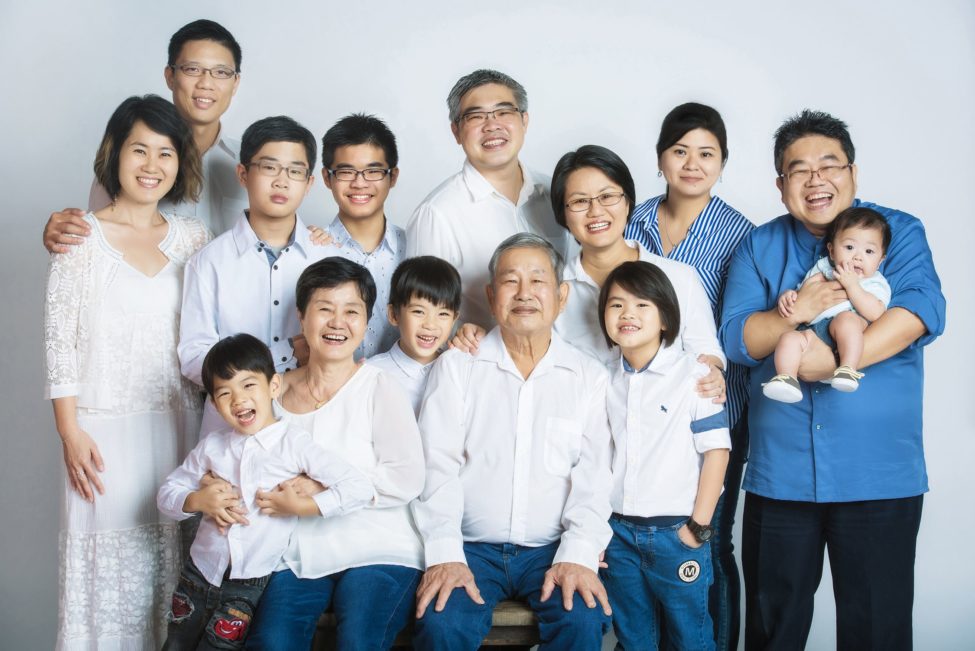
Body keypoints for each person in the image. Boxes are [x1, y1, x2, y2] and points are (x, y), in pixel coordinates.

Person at [719, 109, 945, 650]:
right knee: (774, 631)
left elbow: (920, 312)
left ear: (853, 174)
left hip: (878, 472)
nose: (816, 180)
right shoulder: (759, 245)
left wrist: (829, 364)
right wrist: (801, 313)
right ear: (780, 187)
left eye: (829, 165)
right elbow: (738, 338)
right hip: (782, 475)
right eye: (799, 170)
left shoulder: (899, 232)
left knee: (876, 632)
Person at [43, 94, 210, 649]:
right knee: (107, 580)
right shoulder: (79, 239)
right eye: (139, 149)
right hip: (101, 436)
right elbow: (59, 341)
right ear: (114, 153)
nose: (152, 165)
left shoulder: (194, 240)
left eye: (166, 153)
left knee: (176, 577)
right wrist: (69, 432)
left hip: (181, 430)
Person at [412, 233, 612, 651]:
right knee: (442, 623)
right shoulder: (458, 367)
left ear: (560, 295)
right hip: (471, 549)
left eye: (538, 281)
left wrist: (577, 552)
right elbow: (436, 465)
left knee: (582, 619)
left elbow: (594, 476)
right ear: (490, 294)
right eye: (510, 281)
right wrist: (445, 553)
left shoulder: (588, 376)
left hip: (550, 548)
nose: (524, 294)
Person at [245, 257, 426, 650]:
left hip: (380, 548)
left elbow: (406, 477)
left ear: (366, 322)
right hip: (297, 553)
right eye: (325, 309)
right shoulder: (272, 393)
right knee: (271, 643)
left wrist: (320, 487)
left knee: (359, 641)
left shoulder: (380, 386)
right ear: (301, 316)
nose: (337, 322)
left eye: (351, 311)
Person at [623, 102, 753, 650]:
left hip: (708, 402)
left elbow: (735, 323)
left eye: (707, 154)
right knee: (640, 545)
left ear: (723, 163)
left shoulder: (739, 234)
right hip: (640, 409)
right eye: (680, 151)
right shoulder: (633, 220)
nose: (692, 164)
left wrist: (716, 367)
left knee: (709, 542)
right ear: (660, 158)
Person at [452, 144, 726, 399]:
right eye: (580, 201)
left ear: (628, 201)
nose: (596, 211)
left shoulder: (679, 278)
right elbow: (521, 352)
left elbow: (706, 354)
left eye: (607, 196)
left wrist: (712, 374)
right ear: (564, 215)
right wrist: (475, 336)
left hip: (659, 436)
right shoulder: (551, 291)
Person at [157, 334, 372, 649]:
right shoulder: (212, 448)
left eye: (248, 386)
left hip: (247, 584)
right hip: (198, 573)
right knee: (175, 645)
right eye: (225, 393)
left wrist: (303, 506)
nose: (238, 400)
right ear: (215, 404)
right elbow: (167, 494)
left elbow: (359, 487)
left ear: (273, 386)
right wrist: (197, 500)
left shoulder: (293, 445)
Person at [598, 261, 730, 651]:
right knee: (634, 637)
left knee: (690, 636)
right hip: (618, 533)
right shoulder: (602, 378)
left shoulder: (695, 375)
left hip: (677, 533)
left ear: (666, 319)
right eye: (616, 305)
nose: (628, 315)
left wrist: (698, 528)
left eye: (642, 305)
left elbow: (717, 453)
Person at [178, 115, 326, 437]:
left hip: (308, 424)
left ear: (309, 183)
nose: (282, 181)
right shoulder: (209, 262)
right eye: (269, 167)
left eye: (295, 171)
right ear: (243, 174)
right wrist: (283, 354)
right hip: (227, 430)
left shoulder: (326, 258)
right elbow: (193, 358)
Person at [43, 19, 246, 253]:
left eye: (221, 72)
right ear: (170, 76)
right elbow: (96, 244)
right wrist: (64, 232)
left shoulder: (252, 165)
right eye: (192, 69)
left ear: (235, 82)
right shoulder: (128, 161)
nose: (206, 83)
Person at [407, 69, 570, 329]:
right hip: (481, 364)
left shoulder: (557, 193)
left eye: (504, 112)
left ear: (524, 120)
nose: (492, 125)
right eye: (475, 116)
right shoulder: (437, 213)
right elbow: (419, 319)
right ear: (456, 131)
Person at [764, 206, 892, 402]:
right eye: (849, 247)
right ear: (832, 251)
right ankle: (786, 379)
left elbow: (876, 313)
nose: (858, 257)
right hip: (815, 332)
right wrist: (789, 296)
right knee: (790, 338)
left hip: (848, 337)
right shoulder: (823, 268)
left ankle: (847, 369)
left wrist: (852, 286)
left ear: (881, 260)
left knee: (846, 320)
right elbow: (805, 292)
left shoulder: (874, 281)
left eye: (869, 251)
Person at [320, 113, 406, 359]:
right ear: (328, 178)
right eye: (346, 172)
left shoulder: (415, 246)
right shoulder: (311, 250)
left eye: (373, 171)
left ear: (393, 177)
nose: (360, 183)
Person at [368, 256, 463, 416]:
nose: (430, 324)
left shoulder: (459, 368)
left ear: (454, 319)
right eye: (419, 311)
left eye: (443, 313)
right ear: (393, 315)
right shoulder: (371, 375)